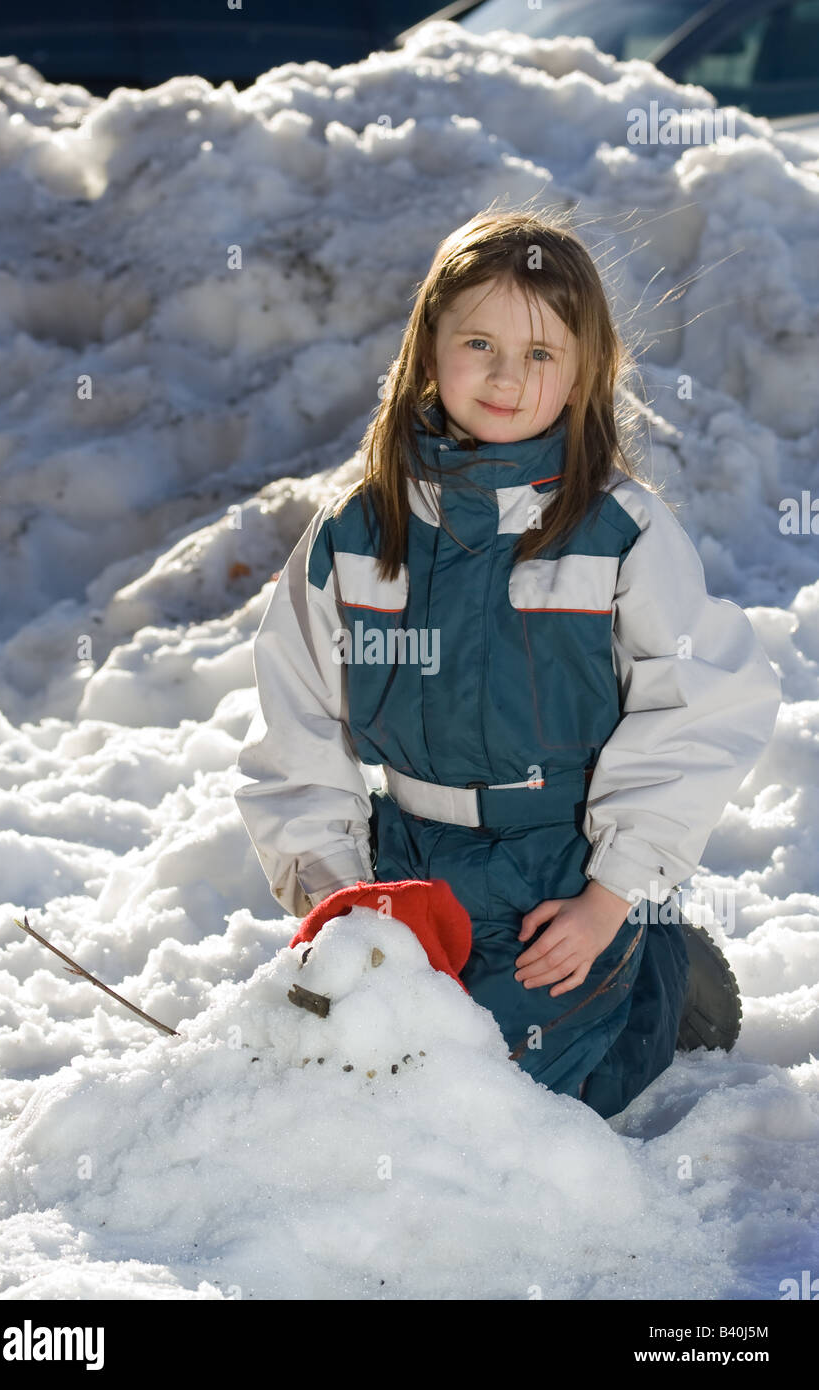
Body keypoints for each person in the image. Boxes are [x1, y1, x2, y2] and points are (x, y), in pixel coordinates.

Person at [234, 205, 782, 1119]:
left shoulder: (616, 531)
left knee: (496, 1102)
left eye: (539, 354)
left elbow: (702, 705)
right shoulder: (358, 533)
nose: (504, 376)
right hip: (405, 859)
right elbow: (297, 723)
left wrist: (613, 895)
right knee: (339, 1069)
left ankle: (657, 970)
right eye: (478, 342)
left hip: (558, 872)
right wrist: (341, 897)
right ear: (428, 348)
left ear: (582, 370)